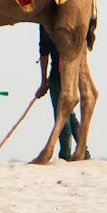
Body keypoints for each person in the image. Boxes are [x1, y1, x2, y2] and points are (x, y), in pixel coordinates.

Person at [36, 24, 79, 161]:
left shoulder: (45, 23)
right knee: (69, 114)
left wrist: (43, 82)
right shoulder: (71, 20)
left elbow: (44, 53)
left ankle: (65, 154)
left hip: (60, 75)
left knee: (62, 114)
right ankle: (83, 149)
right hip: (70, 73)